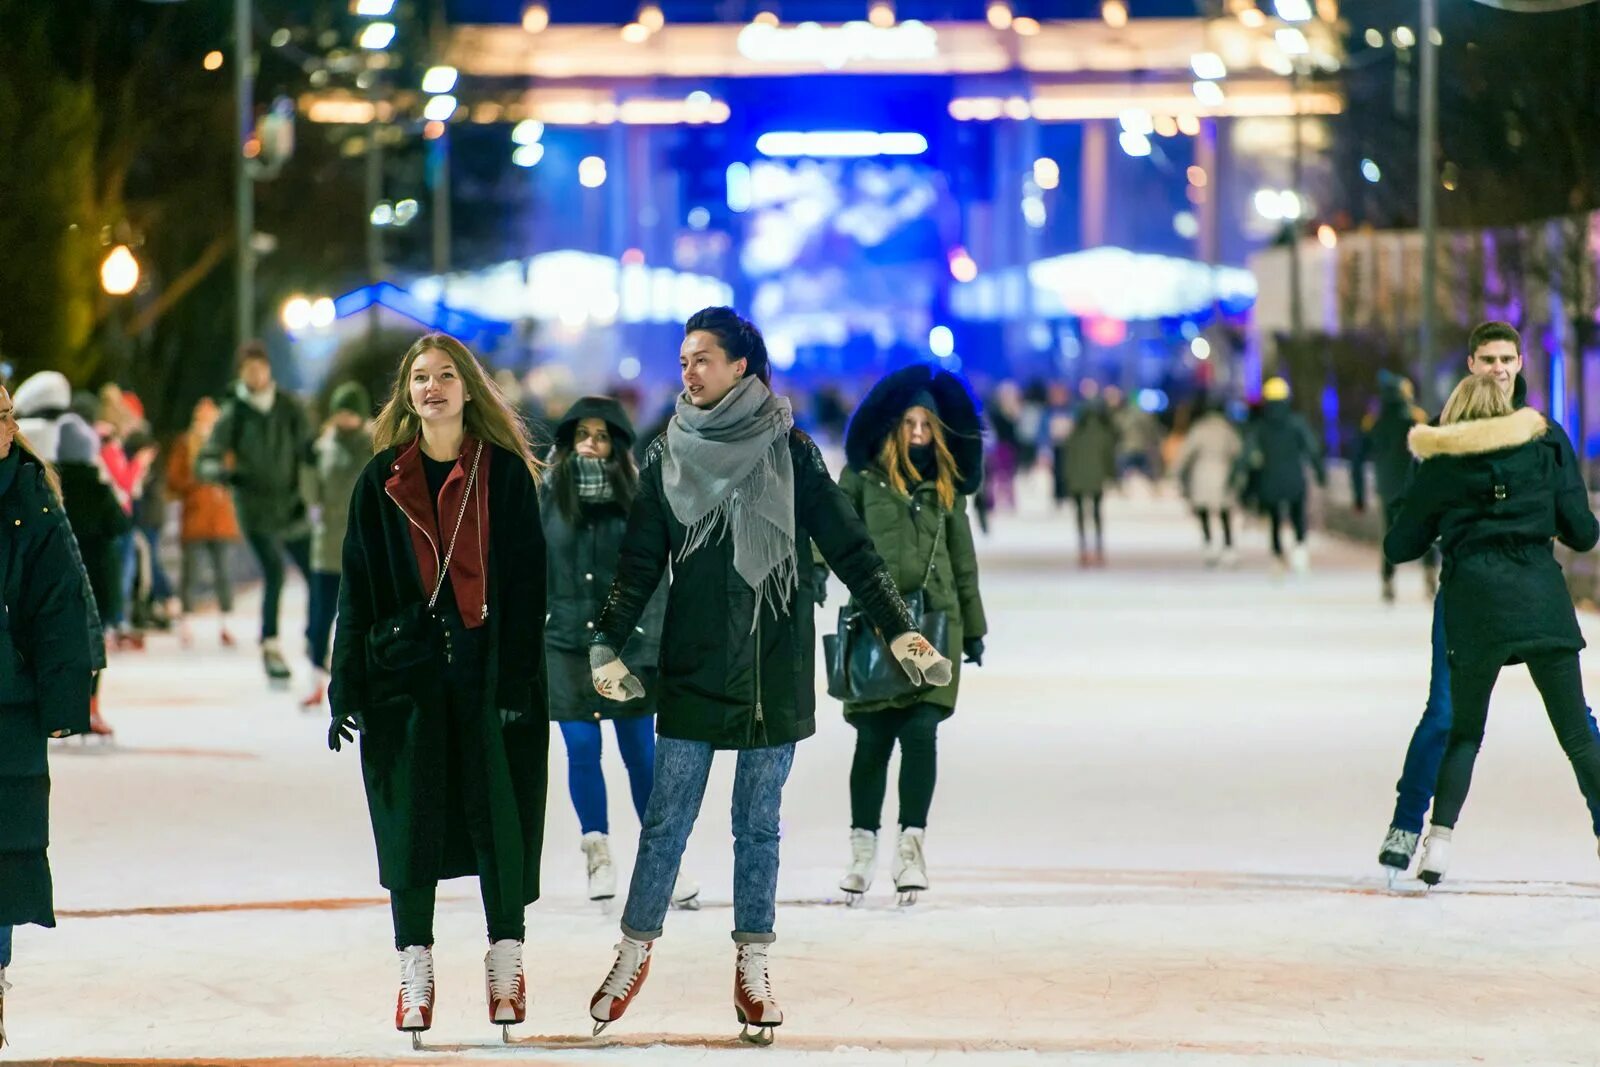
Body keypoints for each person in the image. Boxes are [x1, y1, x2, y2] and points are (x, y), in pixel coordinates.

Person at [585, 307, 950, 1045]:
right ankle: (632, 948)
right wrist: (607, 642)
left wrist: (898, 627)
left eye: (704, 358)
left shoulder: (791, 452)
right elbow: (639, 562)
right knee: (667, 821)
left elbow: (848, 548)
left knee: (756, 825)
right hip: (694, 664)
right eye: (685, 359)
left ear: (742, 366)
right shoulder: (668, 456)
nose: (689, 371)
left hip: (770, 669)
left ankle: (753, 965)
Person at [328, 333, 548, 1046]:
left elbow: (528, 582)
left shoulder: (504, 475)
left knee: (498, 817)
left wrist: (517, 675)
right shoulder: (379, 481)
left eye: (446, 375)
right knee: (412, 818)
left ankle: (505, 958)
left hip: (489, 674)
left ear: (468, 387)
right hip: (407, 679)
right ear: (407, 393)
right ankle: (414, 965)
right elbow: (355, 590)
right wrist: (345, 683)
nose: (432, 387)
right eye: (420, 377)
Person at [1375, 321, 1600, 878]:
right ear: (1472, 364)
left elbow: (1403, 536)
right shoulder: (1457, 438)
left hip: (1473, 598)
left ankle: (1435, 838)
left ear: (1521, 363)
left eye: (1508, 358)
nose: (1499, 367)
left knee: (1468, 727)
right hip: (1528, 596)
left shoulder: (1537, 438)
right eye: (1488, 358)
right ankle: (1406, 823)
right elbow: (1582, 531)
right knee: (1449, 714)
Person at [832, 365, 987, 905]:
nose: (919, 432)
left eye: (927, 423)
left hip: (937, 623)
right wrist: (803, 582)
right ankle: (862, 848)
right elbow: (828, 536)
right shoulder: (861, 481)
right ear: (893, 427)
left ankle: (911, 848)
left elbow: (963, 561)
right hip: (875, 624)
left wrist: (976, 630)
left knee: (921, 734)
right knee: (872, 739)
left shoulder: (946, 489)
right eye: (910, 422)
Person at [542, 397, 701, 907]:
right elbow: (528, 570)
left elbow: (655, 575)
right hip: (565, 644)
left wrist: (650, 641)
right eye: (583, 434)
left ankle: (664, 860)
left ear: (617, 444)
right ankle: (598, 851)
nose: (592, 442)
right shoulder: (545, 497)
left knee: (640, 755)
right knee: (582, 750)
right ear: (568, 442)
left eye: (603, 435)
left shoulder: (640, 498)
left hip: (626, 648)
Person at [0, 383, 104, 1050]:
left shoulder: (31, 499)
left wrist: (66, 698)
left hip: (5, 704)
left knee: (2, 853)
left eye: (3, 414)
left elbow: (65, 602)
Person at [14, 372, 123, 739]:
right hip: (92, 568)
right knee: (82, 637)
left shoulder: (31, 479)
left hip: (52, 579)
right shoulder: (85, 483)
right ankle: (87, 707)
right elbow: (117, 525)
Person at [198, 342, 312, 683]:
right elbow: (207, 456)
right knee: (275, 571)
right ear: (241, 374)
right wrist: (222, 472)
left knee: (316, 571)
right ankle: (270, 644)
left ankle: (316, 637)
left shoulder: (289, 407)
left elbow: (310, 446)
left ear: (268, 370)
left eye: (259, 368)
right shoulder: (235, 413)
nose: (255, 375)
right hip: (254, 508)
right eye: (248, 370)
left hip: (292, 506)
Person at [300, 382, 373, 710]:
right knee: (320, 617)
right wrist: (307, 479)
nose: (345, 419)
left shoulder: (374, 445)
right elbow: (310, 493)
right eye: (340, 412)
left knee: (357, 618)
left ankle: (357, 680)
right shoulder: (322, 447)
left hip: (363, 549)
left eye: (350, 412)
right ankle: (316, 677)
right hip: (327, 547)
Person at [166, 397, 241, 648]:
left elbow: (236, 476)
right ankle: (186, 624)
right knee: (191, 574)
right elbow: (173, 480)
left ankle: (226, 624)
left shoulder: (226, 446)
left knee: (223, 574)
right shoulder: (185, 444)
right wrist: (196, 485)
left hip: (220, 520)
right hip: (196, 519)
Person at [1353, 373, 1435, 602]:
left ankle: (1388, 580)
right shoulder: (1417, 418)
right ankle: (1429, 577)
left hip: (1387, 489)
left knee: (1389, 533)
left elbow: (1357, 459)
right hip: (1416, 487)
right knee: (1425, 531)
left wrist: (1359, 495)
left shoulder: (1373, 422)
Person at [1242, 377, 1325, 573]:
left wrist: (1240, 480)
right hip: (1294, 478)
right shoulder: (1296, 423)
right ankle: (1300, 550)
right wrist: (1321, 473)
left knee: (1275, 519)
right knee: (1298, 516)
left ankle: (1277, 554)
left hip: (1269, 479)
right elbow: (1312, 448)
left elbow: (1248, 454)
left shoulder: (1261, 427)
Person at [1176, 399, 1244, 567]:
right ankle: (1228, 546)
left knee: (1204, 511)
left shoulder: (1199, 429)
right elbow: (1238, 451)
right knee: (1224, 512)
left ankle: (1209, 544)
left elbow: (1186, 453)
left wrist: (1178, 472)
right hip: (1223, 472)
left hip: (1202, 474)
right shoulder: (1227, 430)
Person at [1062, 385, 1118, 567]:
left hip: (1077, 479)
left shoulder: (1074, 434)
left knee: (1080, 513)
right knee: (1096, 512)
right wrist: (1111, 476)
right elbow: (1108, 458)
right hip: (1096, 479)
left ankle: (1083, 549)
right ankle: (1099, 549)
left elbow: (1068, 458)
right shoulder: (1103, 434)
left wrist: (1067, 477)